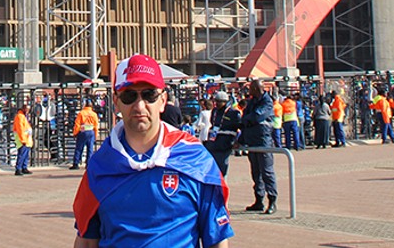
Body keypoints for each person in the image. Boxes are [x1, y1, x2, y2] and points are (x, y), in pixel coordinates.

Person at [73, 54, 232, 248]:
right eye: (129, 96)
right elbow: (86, 241)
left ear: (163, 100)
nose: (140, 105)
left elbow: (216, 240)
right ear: (116, 102)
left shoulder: (196, 160)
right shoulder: (100, 166)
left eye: (149, 95)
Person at [238, 79, 277, 214]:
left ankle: (272, 200)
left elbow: (256, 117)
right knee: (256, 173)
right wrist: (241, 140)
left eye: (251, 88)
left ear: (256, 89)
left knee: (267, 172)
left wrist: (248, 120)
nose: (249, 91)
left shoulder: (267, 101)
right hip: (252, 140)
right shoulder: (252, 102)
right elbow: (245, 119)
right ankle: (259, 200)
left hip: (263, 141)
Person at [204, 91, 240, 175]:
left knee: (221, 167)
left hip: (225, 143)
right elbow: (213, 124)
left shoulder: (233, 113)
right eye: (216, 101)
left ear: (225, 102)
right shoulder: (215, 111)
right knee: (212, 166)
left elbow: (239, 127)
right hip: (213, 142)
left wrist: (237, 141)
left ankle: (221, 182)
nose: (216, 104)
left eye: (219, 102)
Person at [70, 101, 99, 170]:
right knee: (90, 149)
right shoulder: (94, 114)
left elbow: (77, 124)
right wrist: (95, 135)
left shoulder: (81, 113)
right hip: (91, 131)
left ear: (84, 105)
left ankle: (76, 164)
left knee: (79, 148)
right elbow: (96, 125)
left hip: (83, 130)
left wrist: (75, 133)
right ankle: (88, 164)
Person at [12, 107, 33, 176]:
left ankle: (24, 167)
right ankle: (18, 168)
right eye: (27, 109)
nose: (28, 110)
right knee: (22, 154)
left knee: (25, 154)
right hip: (22, 139)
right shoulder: (19, 116)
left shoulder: (23, 116)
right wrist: (23, 139)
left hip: (26, 138)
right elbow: (20, 129)